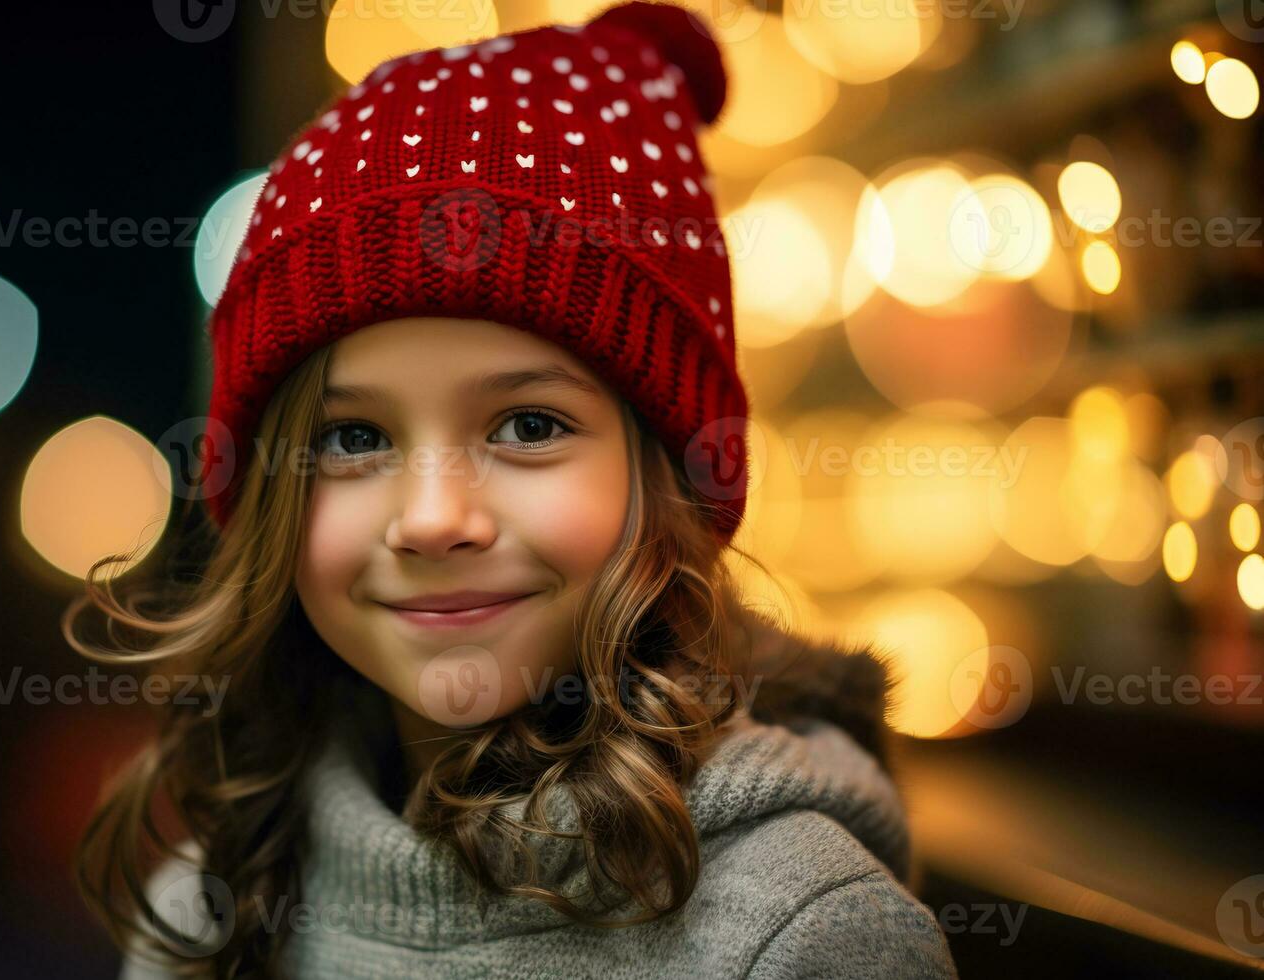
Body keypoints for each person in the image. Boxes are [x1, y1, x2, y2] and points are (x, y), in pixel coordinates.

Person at [64, 3, 960, 977]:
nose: (436, 516)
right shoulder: (206, 913)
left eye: (528, 426)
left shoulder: (801, 933)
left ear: (666, 473)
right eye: (353, 437)